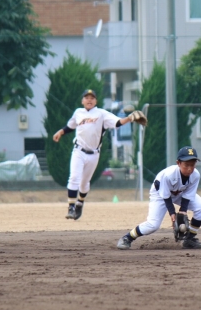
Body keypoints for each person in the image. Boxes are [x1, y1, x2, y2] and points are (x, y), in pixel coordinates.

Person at [52, 89, 147, 220]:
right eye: (86, 97)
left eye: (92, 98)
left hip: (94, 154)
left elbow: (117, 122)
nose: (89, 100)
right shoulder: (78, 113)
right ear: (82, 100)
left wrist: (129, 118)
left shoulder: (101, 114)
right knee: (74, 178)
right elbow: (70, 126)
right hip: (78, 151)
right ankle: (71, 207)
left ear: (96, 101)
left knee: (84, 183)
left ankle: (80, 203)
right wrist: (60, 132)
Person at [117, 146, 201, 250]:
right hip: (160, 195)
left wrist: (183, 211)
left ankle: (189, 239)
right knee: (153, 225)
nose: (190, 168)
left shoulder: (195, 175)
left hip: (179, 193)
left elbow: (188, 195)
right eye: (186, 165)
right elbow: (165, 196)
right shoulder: (168, 175)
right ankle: (127, 238)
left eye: (192, 165)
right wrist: (172, 214)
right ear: (178, 163)